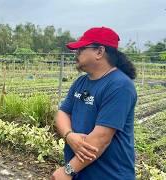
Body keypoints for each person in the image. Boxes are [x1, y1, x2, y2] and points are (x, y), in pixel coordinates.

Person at [51, 27, 137, 180]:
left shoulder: (119, 85)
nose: (76, 53)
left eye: (81, 49)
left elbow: (101, 138)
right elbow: (62, 112)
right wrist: (69, 135)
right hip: (81, 172)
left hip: (108, 175)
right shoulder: (82, 81)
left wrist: (68, 171)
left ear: (99, 52)